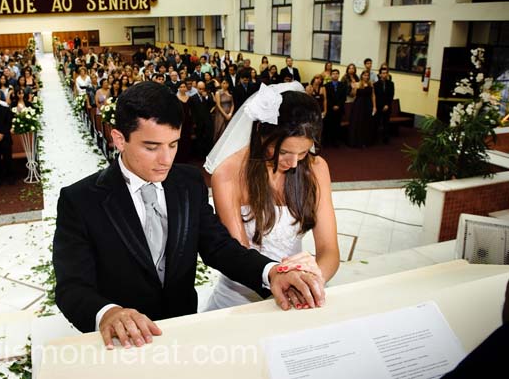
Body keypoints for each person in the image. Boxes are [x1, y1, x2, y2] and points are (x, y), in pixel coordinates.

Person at [53, 82, 325, 348]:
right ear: (119, 139)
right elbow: (72, 287)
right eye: (151, 147)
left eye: (173, 144)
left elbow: (219, 246)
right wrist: (107, 313)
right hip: (122, 343)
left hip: (182, 330)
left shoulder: (188, 183)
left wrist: (271, 272)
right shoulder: (80, 200)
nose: (166, 159)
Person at [204, 83, 339, 310]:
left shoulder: (317, 168)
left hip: (299, 294)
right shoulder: (228, 174)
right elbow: (239, 255)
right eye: (284, 152)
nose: (294, 163)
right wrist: (284, 281)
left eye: (304, 152)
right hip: (241, 297)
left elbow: (329, 250)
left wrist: (313, 280)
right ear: (261, 134)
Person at [348, 70, 377, 148]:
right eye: (365, 75)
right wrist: (353, 88)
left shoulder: (371, 84)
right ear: (361, 76)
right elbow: (352, 95)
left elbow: (373, 96)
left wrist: (374, 106)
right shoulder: (357, 84)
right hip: (359, 105)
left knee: (366, 123)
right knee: (358, 122)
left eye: (367, 75)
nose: (366, 77)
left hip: (368, 105)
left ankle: (365, 141)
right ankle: (357, 142)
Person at [323, 69, 347, 147]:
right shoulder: (327, 85)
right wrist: (332, 106)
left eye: (337, 73)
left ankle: (335, 141)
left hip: (339, 109)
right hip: (330, 109)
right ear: (331, 75)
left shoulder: (343, 85)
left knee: (337, 125)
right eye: (333, 74)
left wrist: (338, 105)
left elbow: (343, 97)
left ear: (339, 75)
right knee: (328, 125)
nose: (335, 75)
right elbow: (327, 98)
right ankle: (327, 141)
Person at [374, 66, 395, 144]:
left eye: (386, 73)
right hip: (379, 106)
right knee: (377, 122)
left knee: (386, 123)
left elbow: (391, 95)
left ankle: (385, 138)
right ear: (380, 75)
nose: (384, 75)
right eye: (383, 73)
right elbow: (376, 96)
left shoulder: (391, 84)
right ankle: (375, 138)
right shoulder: (376, 84)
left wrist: (387, 105)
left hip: (387, 106)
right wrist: (379, 106)